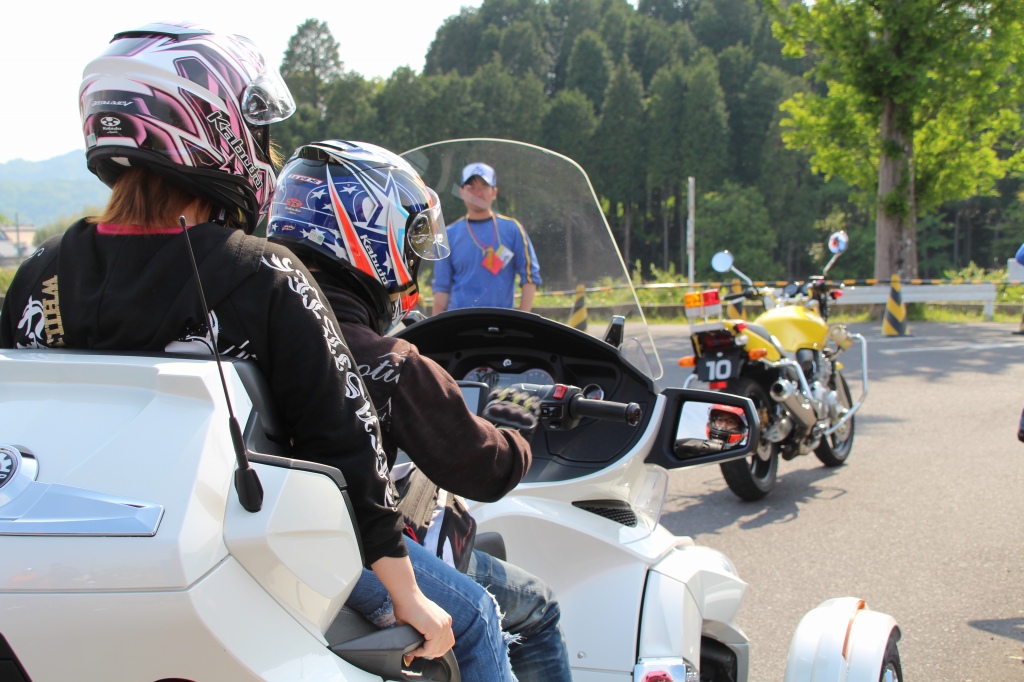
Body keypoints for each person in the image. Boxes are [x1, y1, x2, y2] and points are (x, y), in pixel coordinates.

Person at [0, 21, 468, 667]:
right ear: (211, 125)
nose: (266, 151)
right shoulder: (264, 274)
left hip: (50, 580)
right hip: (234, 572)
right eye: (257, 128)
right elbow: (346, 441)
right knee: (472, 623)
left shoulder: (37, 274)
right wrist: (409, 596)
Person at [267, 139, 574, 682]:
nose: (412, 264)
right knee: (491, 613)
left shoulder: (251, 318)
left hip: (265, 532)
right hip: (342, 547)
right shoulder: (388, 360)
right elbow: (486, 471)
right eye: (408, 245)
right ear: (371, 238)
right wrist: (512, 423)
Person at [432, 162, 542, 313]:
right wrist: (437, 324)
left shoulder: (513, 230)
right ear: (462, 192)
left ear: (494, 192)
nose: (478, 193)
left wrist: (522, 319)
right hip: (460, 322)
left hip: (501, 322)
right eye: (471, 187)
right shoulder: (448, 235)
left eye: (484, 187)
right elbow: (442, 287)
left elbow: (530, 277)